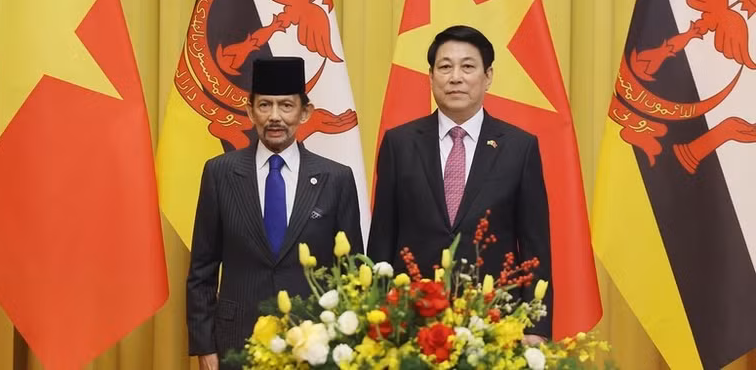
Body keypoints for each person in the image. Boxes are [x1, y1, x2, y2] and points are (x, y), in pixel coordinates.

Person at [367, 25, 552, 338]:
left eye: (468, 66)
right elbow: (383, 239)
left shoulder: (519, 147)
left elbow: (534, 245)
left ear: (488, 76)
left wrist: (536, 328)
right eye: (445, 67)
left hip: (494, 323)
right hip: (411, 321)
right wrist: (376, 317)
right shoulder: (399, 143)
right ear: (431, 77)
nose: (455, 77)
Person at [187, 57, 364, 369]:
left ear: (304, 112)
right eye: (265, 105)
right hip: (235, 342)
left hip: (314, 344)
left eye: (286, 106)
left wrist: (345, 346)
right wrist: (205, 347)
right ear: (250, 109)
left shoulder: (335, 179)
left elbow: (350, 274)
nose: (275, 117)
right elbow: (202, 270)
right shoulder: (219, 173)